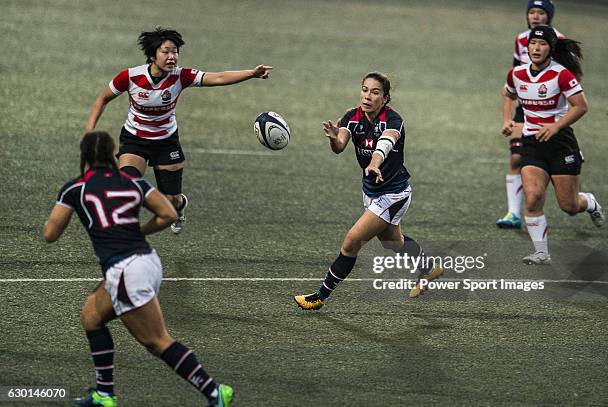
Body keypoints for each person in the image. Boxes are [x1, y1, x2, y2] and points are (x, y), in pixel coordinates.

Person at [43, 132, 233, 406]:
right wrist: (139, 230)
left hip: (125, 270)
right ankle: (104, 394)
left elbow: (50, 234)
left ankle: (214, 392)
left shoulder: (76, 188)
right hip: (148, 261)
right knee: (91, 316)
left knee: (157, 341)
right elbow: (169, 213)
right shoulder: (132, 182)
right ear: (114, 156)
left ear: (84, 157)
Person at [85, 27, 272, 234]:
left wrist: (251, 74)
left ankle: (180, 205)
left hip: (166, 141)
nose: (172, 56)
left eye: (175, 52)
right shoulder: (129, 77)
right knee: (127, 186)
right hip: (134, 139)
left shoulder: (181, 76)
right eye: (165, 52)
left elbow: (218, 77)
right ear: (152, 56)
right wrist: (89, 132)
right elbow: (102, 99)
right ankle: (126, 233)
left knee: (171, 201)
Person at [294, 72, 442, 310]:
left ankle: (319, 296)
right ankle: (429, 266)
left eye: (375, 92)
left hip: (394, 194)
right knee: (392, 242)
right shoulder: (352, 117)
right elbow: (340, 146)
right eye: (364, 90)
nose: (367, 96)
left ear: (385, 98)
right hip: (371, 191)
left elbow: (385, 143)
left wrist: (374, 163)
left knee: (352, 241)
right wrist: (334, 138)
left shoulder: (394, 121)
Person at [501, 26, 604, 265]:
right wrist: (508, 120)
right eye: (533, 44)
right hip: (532, 143)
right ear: (527, 48)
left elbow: (581, 106)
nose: (536, 48)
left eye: (543, 44)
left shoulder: (562, 75)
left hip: (561, 144)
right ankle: (541, 252)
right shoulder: (516, 73)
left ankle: (588, 202)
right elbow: (508, 94)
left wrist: (556, 126)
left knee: (569, 205)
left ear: (551, 48)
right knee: (534, 197)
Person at [496, 0, 563, 229]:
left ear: (549, 16)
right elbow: (515, 75)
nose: (535, 16)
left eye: (541, 12)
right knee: (516, 157)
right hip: (525, 108)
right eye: (532, 12)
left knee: (558, 176)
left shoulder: (559, 41)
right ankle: (513, 213)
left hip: (551, 113)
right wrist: (510, 114)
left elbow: (568, 80)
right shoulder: (521, 39)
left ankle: (580, 200)